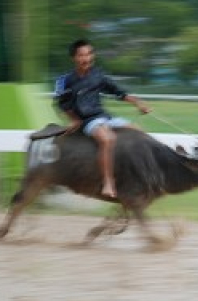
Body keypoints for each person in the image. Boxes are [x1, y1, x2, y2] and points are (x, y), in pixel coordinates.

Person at [54, 39, 151, 198]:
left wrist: (138, 104)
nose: (86, 58)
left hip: (104, 117)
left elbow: (118, 92)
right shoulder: (64, 80)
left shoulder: (98, 75)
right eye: (81, 55)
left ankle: (140, 174)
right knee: (107, 139)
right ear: (74, 58)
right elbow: (62, 104)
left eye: (89, 54)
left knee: (140, 133)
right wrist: (74, 120)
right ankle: (108, 182)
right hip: (87, 120)